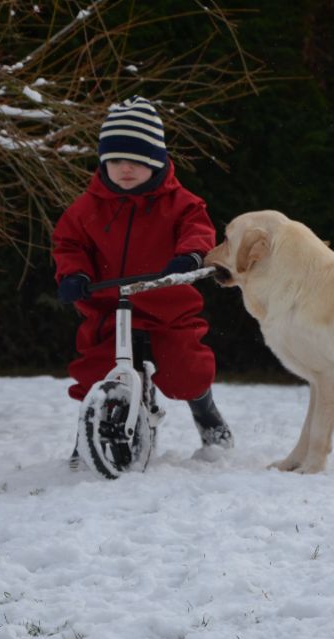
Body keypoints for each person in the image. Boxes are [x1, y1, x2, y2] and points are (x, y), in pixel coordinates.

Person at [52, 96, 233, 466]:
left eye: (137, 160)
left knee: (186, 369)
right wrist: (74, 274)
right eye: (116, 160)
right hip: (109, 309)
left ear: (156, 160)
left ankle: (205, 409)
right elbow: (69, 244)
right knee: (93, 372)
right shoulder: (86, 208)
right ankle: (88, 434)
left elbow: (198, 230)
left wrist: (190, 256)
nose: (126, 169)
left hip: (166, 304)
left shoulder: (181, 203)